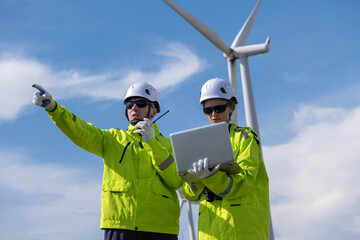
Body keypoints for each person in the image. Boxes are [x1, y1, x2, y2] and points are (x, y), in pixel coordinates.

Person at [32, 82, 184, 240]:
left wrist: (152, 142)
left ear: (154, 110)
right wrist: (54, 109)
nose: (134, 108)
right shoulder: (112, 139)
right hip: (120, 226)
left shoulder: (169, 145)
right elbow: (80, 130)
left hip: (161, 229)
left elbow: (175, 181)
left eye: (141, 103)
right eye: (130, 104)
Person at [182, 78, 270, 240]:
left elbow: (244, 182)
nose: (213, 114)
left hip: (242, 230)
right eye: (208, 110)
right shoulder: (197, 143)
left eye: (219, 108)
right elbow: (190, 195)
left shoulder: (245, 137)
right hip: (210, 232)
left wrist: (211, 177)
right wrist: (195, 179)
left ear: (231, 107)